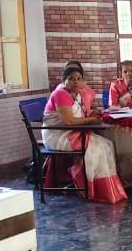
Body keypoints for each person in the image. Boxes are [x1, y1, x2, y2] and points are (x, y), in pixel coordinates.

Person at [42, 64, 127, 203]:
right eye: (71, 79)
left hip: (72, 132)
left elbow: (81, 114)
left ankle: (106, 187)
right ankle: (87, 185)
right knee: (96, 148)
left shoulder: (77, 95)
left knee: (107, 144)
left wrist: (93, 114)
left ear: (82, 81)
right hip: (58, 135)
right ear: (64, 81)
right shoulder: (60, 94)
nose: (75, 81)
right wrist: (90, 120)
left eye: (78, 78)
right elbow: (68, 121)